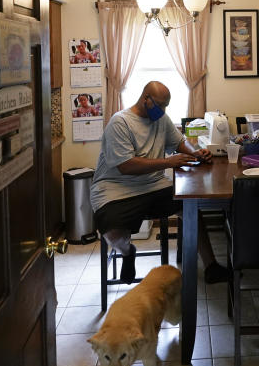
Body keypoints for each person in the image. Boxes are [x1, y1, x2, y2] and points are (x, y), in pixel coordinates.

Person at [90, 81, 229, 284]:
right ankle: (128, 251)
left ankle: (211, 266)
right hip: (114, 187)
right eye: (160, 105)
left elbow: (179, 142)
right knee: (112, 229)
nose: (163, 110)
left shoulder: (161, 120)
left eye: (166, 106)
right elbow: (126, 166)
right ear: (145, 98)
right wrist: (167, 161)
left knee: (190, 207)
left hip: (152, 184)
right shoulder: (120, 122)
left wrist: (195, 153)